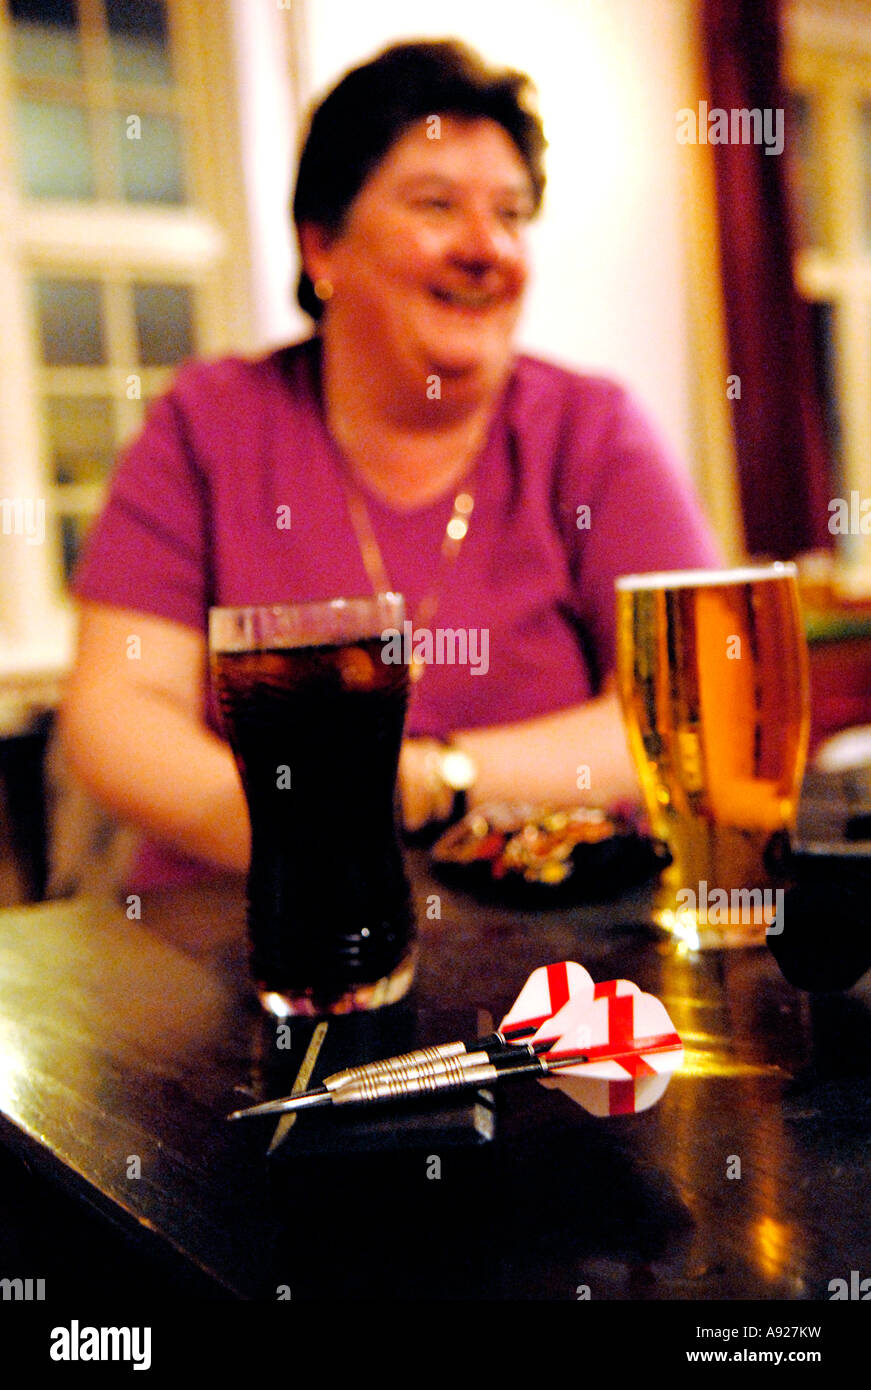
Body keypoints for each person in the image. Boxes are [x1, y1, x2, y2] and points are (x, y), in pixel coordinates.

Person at [59, 39, 719, 891]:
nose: (486, 248)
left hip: (537, 944)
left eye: (512, 215)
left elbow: (686, 708)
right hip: (238, 932)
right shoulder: (211, 423)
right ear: (322, 248)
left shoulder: (590, 430)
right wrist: (314, 845)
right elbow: (117, 713)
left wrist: (428, 782)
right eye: (437, 205)